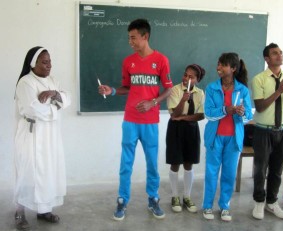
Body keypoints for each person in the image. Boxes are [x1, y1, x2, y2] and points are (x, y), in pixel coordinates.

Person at [99, 19, 173, 221]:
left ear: (145, 36)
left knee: (152, 164)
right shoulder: (128, 61)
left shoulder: (161, 60)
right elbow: (127, 88)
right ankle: (122, 200)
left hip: (150, 121)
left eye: (133, 37)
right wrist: (112, 90)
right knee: (126, 163)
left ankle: (153, 199)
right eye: (128, 38)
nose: (130, 41)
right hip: (130, 120)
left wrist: (153, 102)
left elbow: (169, 89)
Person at [14, 46, 71, 230]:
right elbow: (33, 109)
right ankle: (19, 211)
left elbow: (67, 98)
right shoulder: (26, 82)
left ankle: (44, 210)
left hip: (50, 134)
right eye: (44, 62)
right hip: (32, 133)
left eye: (50, 62)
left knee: (48, 171)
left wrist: (55, 94)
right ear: (33, 63)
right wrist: (57, 107)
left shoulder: (53, 80)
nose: (49, 66)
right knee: (26, 172)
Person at [202, 53, 253, 221]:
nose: (218, 67)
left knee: (229, 174)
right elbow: (208, 114)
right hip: (215, 138)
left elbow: (247, 118)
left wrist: (241, 113)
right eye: (218, 64)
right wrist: (226, 110)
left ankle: (224, 206)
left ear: (233, 68)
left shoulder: (243, 90)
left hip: (234, 139)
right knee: (211, 173)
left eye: (222, 65)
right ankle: (207, 206)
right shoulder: (211, 88)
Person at [251, 43, 283, 220]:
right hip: (263, 131)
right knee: (260, 169)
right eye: (275, 53)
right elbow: (260, 107)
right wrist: (278, 90)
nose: (279, 55)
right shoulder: (259, 79)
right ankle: (259, 203)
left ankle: (272, 202)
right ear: (267, 59)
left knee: (277, 170)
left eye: (281, 52)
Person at [166, 64, 205, 213]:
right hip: (175, 130)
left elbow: (201, 115)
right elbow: (174, 115)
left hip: (191, 129)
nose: (186, 78)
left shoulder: (200, 93)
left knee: (189, 163)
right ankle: (175, 196)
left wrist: (184, 117)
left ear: (197, 79)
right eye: (185, 74)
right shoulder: (175, 90)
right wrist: (183, 100)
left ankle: (187, 197)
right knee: (175, 162)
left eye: (191, 77)